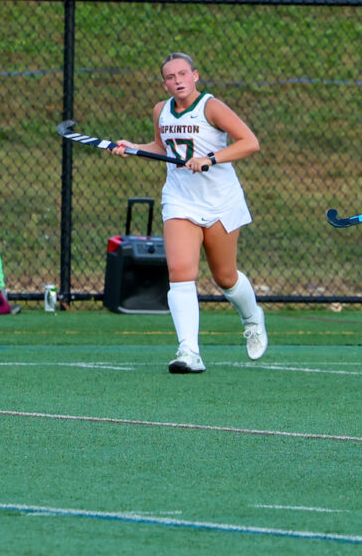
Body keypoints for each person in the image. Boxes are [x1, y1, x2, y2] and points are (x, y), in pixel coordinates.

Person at [112, 53, 267, 374]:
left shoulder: (211, 107)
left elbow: (250, 142)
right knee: (180, 271)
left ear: (195, 76)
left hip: (221, 201)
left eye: (183, 74)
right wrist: (133, 148)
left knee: (225, 277)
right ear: (164, 82)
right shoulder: (161, 111)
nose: (177, 80)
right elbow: (162, 148)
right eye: (170, 77)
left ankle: (252, 318)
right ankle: (189, 352)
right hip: (181, 200)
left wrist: (211, 157)